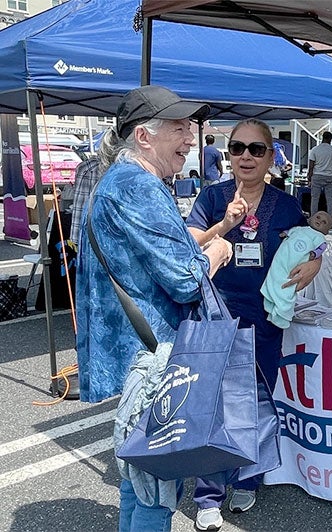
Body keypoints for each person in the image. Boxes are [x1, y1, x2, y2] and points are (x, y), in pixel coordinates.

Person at [76, 85, 233, 531]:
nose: (191, 137)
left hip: (136, 357)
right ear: (144, 136)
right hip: (152, 359)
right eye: (180, 127)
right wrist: (216, 252)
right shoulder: (137, 187)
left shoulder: (123, 181)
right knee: (156, 490)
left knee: (139, 479)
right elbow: (185, 280)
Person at [186, 118, 322, 531]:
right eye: (238, 148)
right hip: (218, 312)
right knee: (214, 404)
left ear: (270, 156)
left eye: (256, 149)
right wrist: (225, 225)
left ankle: (249, 477)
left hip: (264, 320)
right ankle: (208, 494)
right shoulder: (212, 197)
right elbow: (189, 244)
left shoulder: (285, 204)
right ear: (228, 155)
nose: (246, 156)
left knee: (259, 400)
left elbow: (308, 243)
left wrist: (314, 263)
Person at [261, 210, 332, 328]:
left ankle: (281, 311)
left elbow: (320, 249)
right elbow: (289, 232)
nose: (319, 221)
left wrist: (315, 256)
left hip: (295, 263)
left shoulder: (320, 238)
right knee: (275, 276)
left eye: (324, 222)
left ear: (326, 231)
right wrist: (284, 233)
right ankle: (272, 302)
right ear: (310, 218)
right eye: (318, 217)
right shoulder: (300, 229)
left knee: (287, 284)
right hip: (281, 259)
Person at [308, 130, 332, 216]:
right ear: (330, 139)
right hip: (329, 176)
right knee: (330, 199)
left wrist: (309, 177)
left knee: (315, 199)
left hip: (317, 176)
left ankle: (313, 219)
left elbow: (311, 166)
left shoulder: (315, 149)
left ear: (322, 138)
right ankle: (330, 220)